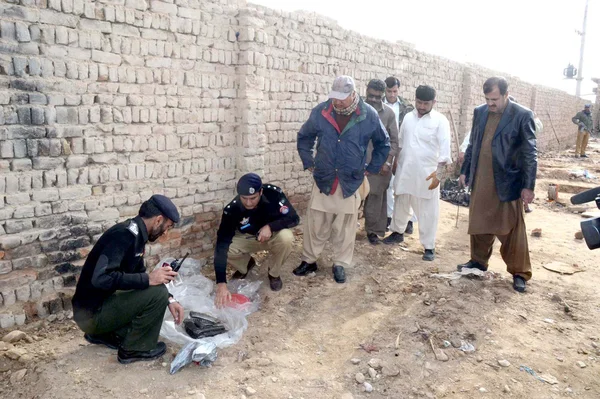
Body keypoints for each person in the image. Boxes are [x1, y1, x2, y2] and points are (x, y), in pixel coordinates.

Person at [295, 75, 390, 283]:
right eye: (335, 97)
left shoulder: (369, 115)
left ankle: (340, 264)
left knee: (345, 228)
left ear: (353, 94)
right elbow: (304, 137)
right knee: (316, 223)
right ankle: (309, 260)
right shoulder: (321, 111)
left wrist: (372, 168)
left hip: (350, 179)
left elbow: (384, 143)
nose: (337, 102)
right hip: (324, 177)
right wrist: (308, 160)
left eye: (342, 98)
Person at [72, 195, 184, 364]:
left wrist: (170, 299)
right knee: (158, 293)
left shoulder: (135, 234)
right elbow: (101, 279)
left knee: (159, 292)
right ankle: (135, 349)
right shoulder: (123, 236)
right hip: (91, 316)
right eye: (167, 227)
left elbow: (137, 274)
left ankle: (103, 334)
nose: (165, 233)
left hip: (91, 313)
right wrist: (150, 280)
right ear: (158, 220)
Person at [459, 77, 537, 292]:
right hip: (481, 178)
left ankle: (519, 272)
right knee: (479, 222)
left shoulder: (522, 115)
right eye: (487, 99)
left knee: (511, 228)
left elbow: (530, 152)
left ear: (505, 94)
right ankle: (478, 262)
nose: (490, 103)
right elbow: (473, 143)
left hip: (507, 180)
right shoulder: (480, 112)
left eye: (494, 99)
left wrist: (528, 185)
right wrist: (465, 170)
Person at [383, 85, 452, 262]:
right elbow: (400, 143)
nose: (421, 106)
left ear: (433, 102)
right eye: (419, 102)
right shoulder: (408, 117)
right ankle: (397, 232)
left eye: (425, 103)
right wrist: (395, 162)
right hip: (406, 169)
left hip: (427, 174)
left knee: (428, 211)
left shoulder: (440, 121)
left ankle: (429, 246)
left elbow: (444, 151)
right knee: (401, 201)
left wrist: (439, 173)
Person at [213, 173, 299, 306]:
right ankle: (246, 265)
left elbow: (294, 218)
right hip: (248, 238)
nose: (248, 203)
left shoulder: (273, 194)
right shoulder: (232, 209)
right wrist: (221, 284)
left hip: (273, 236)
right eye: (244, 198)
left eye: (253, 198)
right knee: (228, 249)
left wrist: (271, 226)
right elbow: (221, 244)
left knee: (287, 238)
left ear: (261, 192)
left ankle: (274, 274)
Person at [363, 79, 399, 245]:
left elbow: (394, 142)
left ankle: (373, 232)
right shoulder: (356, 109)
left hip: (378, 164)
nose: (374, 100)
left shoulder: (389, 114)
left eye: (378, 97)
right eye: (371, 96)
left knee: (376, 198)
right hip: (356, 163)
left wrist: (388, 162)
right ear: (366, 91)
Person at [383, 76, 415, 233]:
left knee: (406, 184)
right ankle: (389, 216)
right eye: (389, 91)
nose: (392, 94)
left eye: (394, 91)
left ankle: (408, 221)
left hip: (402, 149)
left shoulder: (407, 107)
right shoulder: (378, 105)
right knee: (388, 184)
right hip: (385, 148)